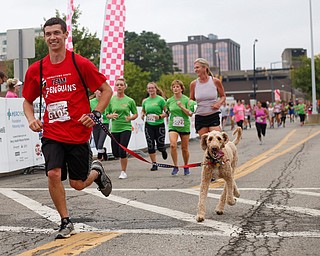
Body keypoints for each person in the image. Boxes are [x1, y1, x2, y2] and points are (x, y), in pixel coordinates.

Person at [22, 17, 113, 239]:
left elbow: (106, 90)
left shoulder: (80, 64)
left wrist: (95, 113)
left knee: (78, 184)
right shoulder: (38, 69)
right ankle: (65, 221)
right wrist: (31, 119)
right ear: (44, 37)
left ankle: (97, 171)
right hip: (52, 133)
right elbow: (27, 101)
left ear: (65, 35)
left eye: (56, 33)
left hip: (78, 133)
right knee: (53, 173)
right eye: (48, 34)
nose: (52, 37)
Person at [106, 77, 138, 179]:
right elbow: (106, 114)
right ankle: (121, 163)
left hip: (126, 128)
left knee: (122, 151)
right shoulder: (111, 100)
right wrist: (110, 116)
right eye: (117, 85)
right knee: (115, 153)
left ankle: (123, 171)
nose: (119, 86)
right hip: (115, 128)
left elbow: (135, 114)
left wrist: (130, 118)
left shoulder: (130, 100)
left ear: (125, 87)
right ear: (115, 86)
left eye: (121, 85)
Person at [189, 58, 226, 137]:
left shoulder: (215, 81)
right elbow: (191, 99)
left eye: (197, 67)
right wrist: (190, 106)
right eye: (194, 68)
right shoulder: (193, 84)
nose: (195, 70)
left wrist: (218, 103)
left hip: (213, 115)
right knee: (206, 144)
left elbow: (223, 96)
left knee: (217, 140)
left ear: (205, 68)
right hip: (200, 116)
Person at [166, 80, 194, 176]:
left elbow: (190, 114)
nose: (175, 88)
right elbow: (167, 112)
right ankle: (175, 166)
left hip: (184, 126)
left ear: (181, 88)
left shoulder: (186, 100)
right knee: (173, 145)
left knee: (184, 148)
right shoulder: (169, 100)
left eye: (177, 87)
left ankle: (186, 166)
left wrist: (182, 107)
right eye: (174, 87)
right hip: (173, 125)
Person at [141, 82, 167, 171]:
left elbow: (167, 112)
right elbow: (143, 110)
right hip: (149, 125)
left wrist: (159, 116)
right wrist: (142, 114)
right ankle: (154, 164)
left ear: (156, 89)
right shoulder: (145, 101)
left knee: (160, 146)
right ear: (147, 90)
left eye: (152, 88)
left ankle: (163, 150)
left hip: (159, 125)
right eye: (149, 88)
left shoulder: (161, 100)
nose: (151, 90)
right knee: (150, 145)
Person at [90, 90, 109, 161]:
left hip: (104, 124)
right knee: (98, 146)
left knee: (100, 144)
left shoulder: (106, 101)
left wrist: (109, 115)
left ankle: (99, 160)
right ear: (95, 92)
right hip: (95, 125)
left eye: (101, 91)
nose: (100, 92)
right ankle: (103, 151)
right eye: (98, 90)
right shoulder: (91, 102)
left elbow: (109, 111)